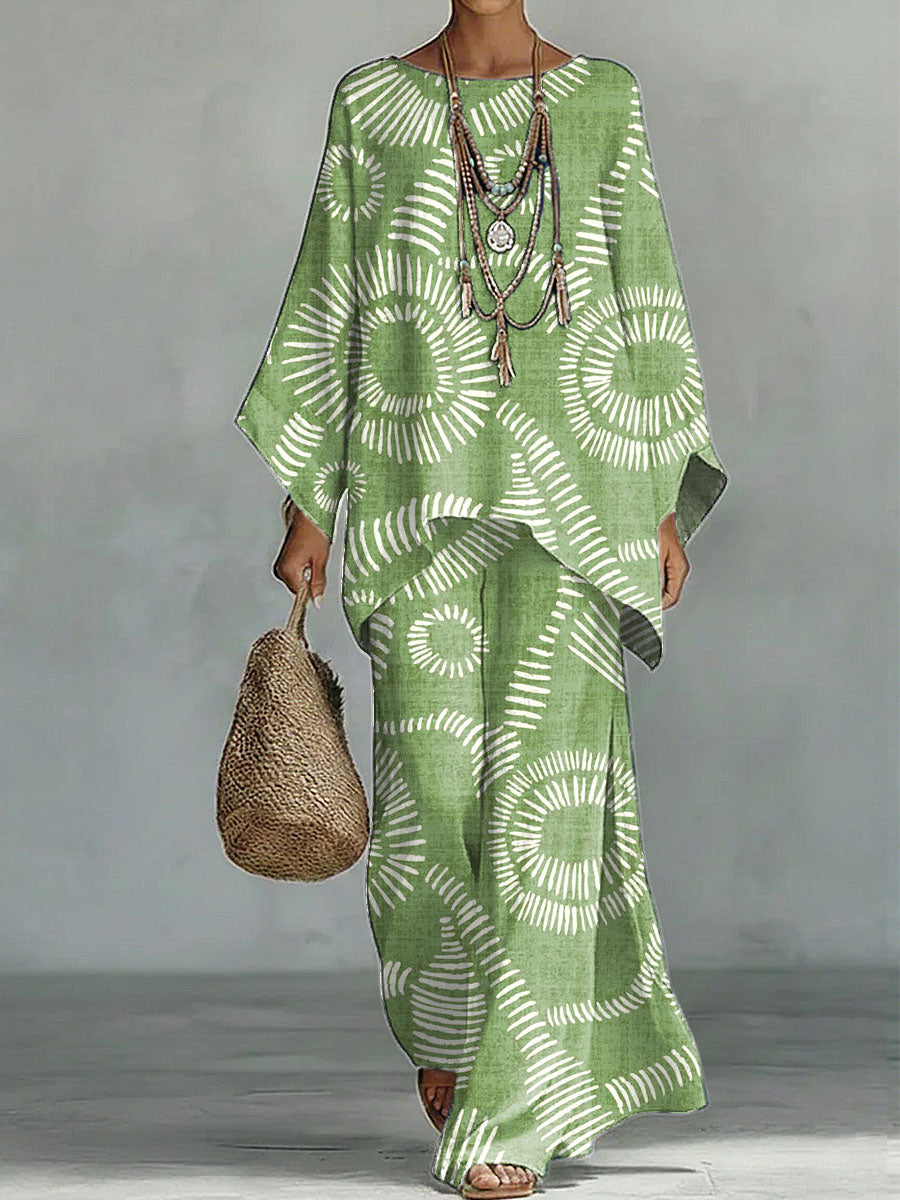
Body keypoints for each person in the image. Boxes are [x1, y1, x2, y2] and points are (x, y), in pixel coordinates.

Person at [234, 4, 728, 1196]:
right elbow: (332, 293)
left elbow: (644, 291)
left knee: (547, 809)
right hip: (417, 493)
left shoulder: (604, 98)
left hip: (580, 503)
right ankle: (457, 1030)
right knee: (432, 798)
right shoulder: (374, 103)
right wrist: (312, 503)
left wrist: (662, 496)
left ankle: (507, 1102)